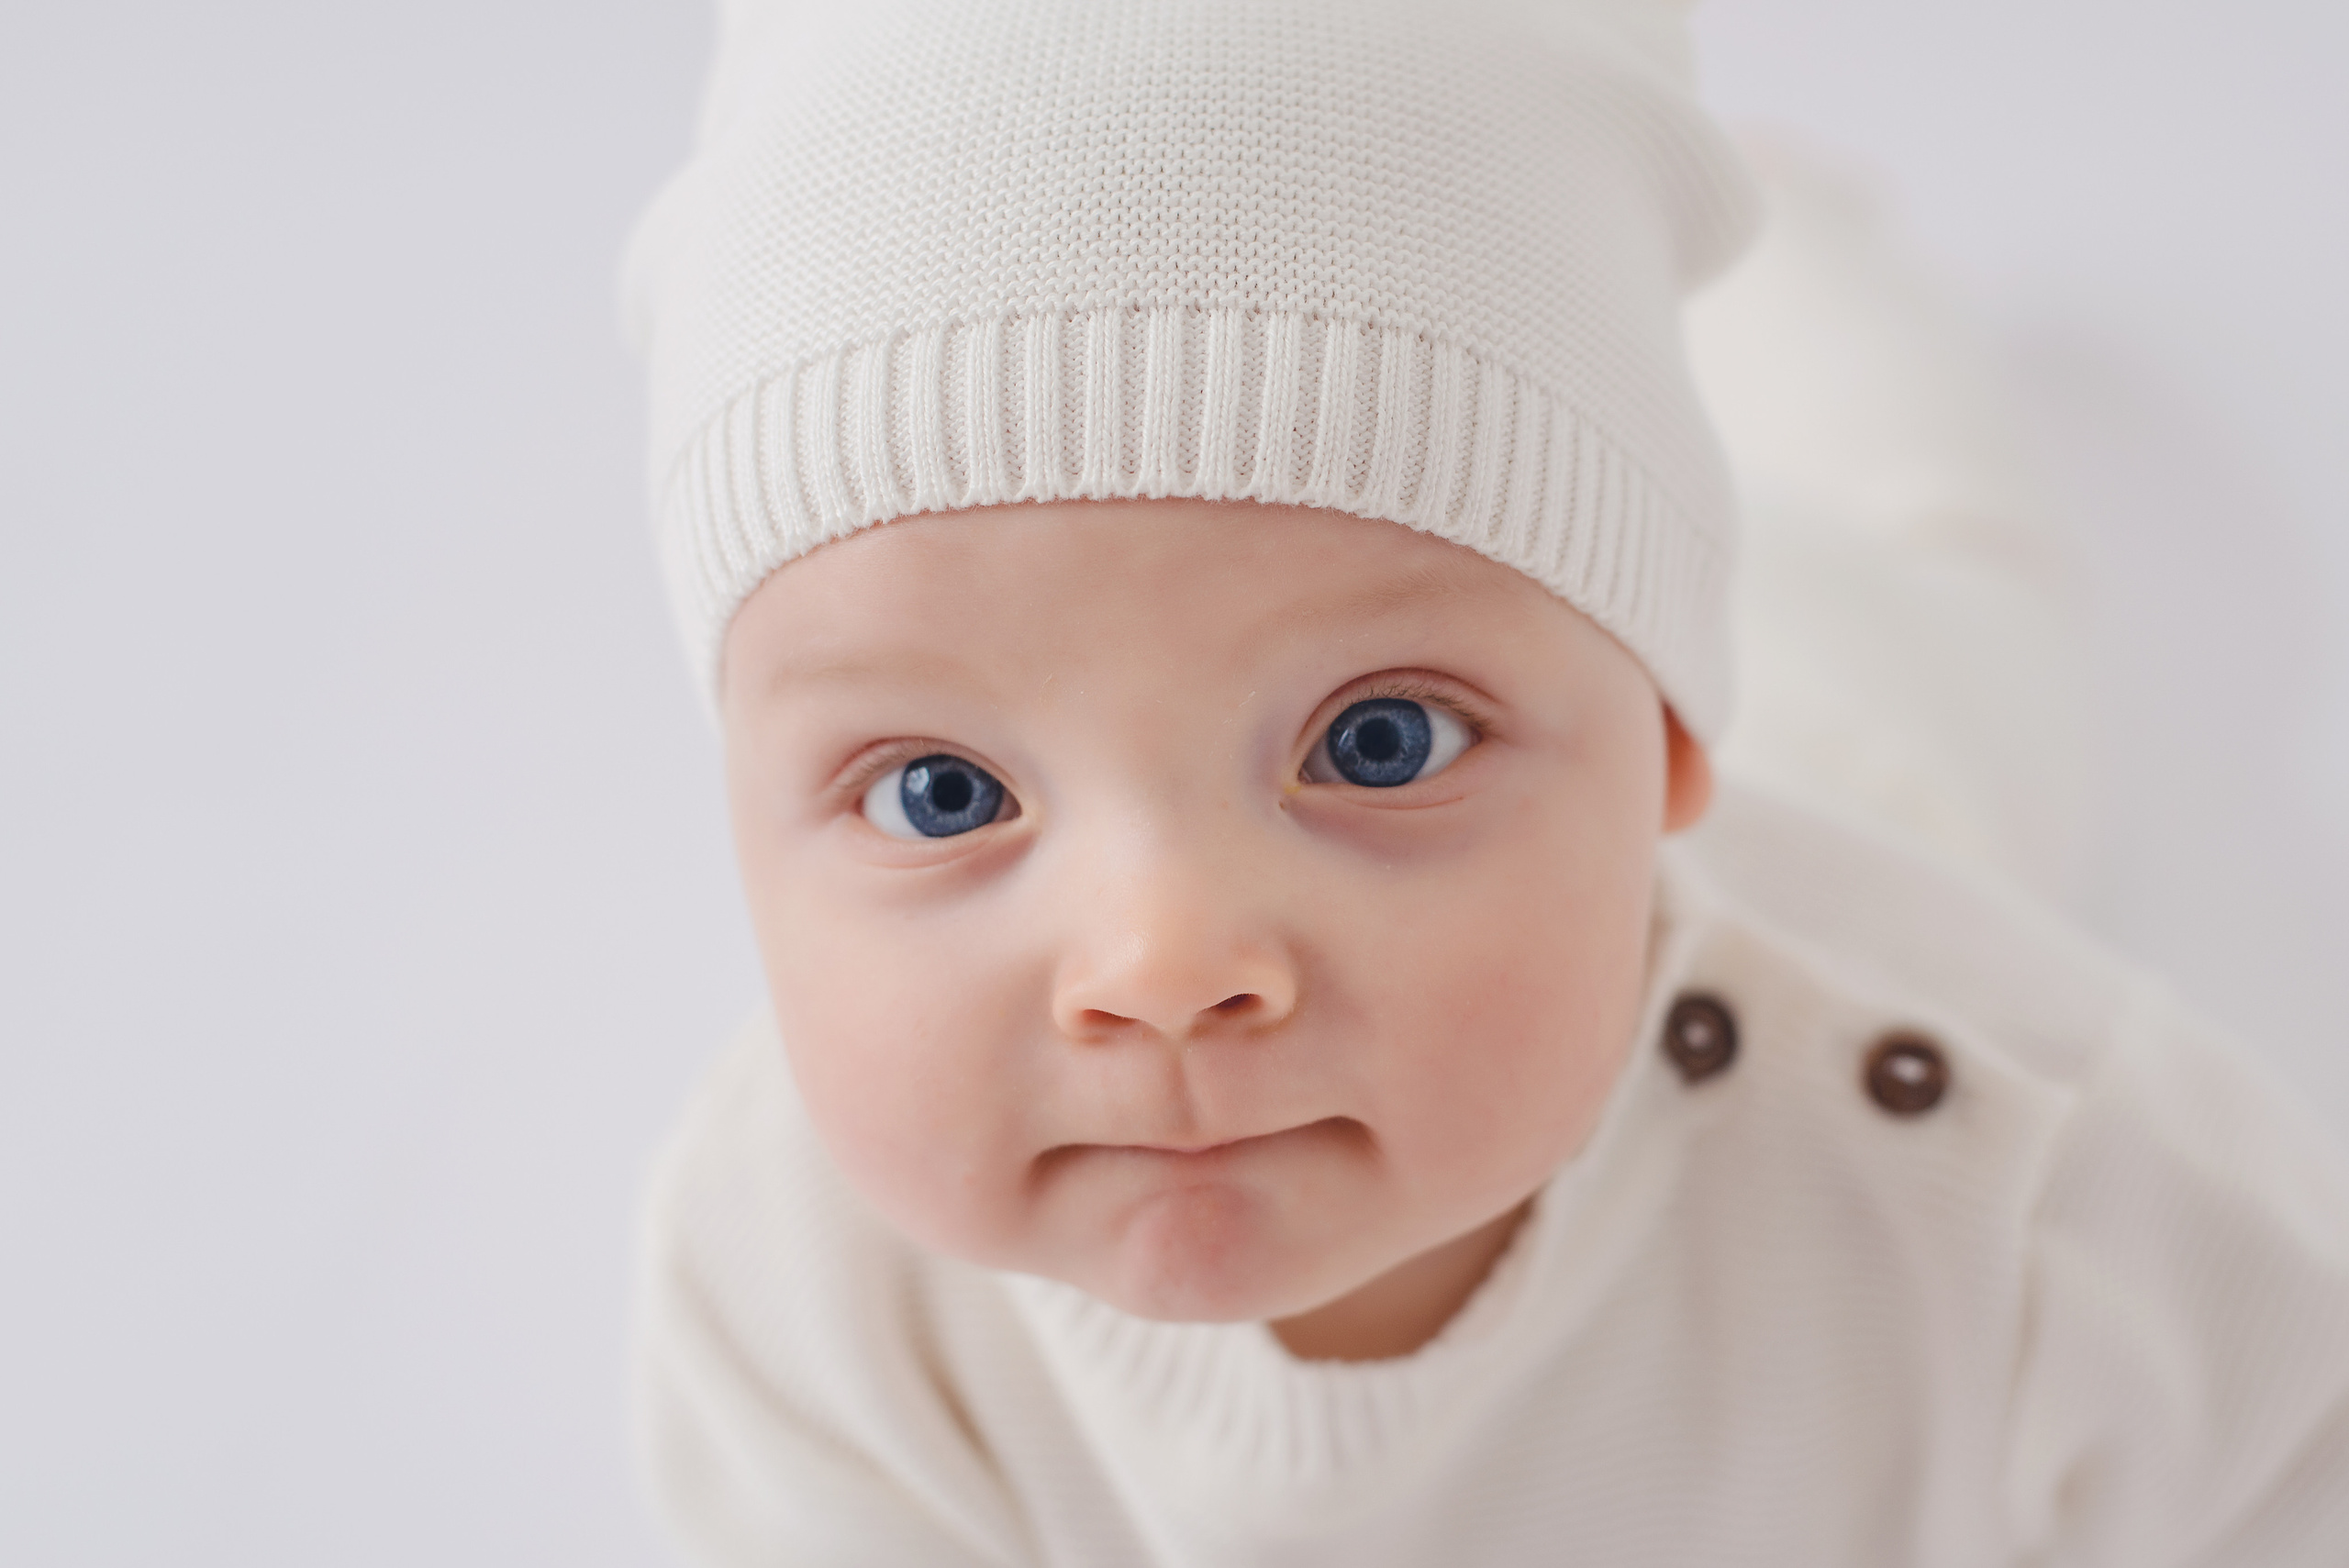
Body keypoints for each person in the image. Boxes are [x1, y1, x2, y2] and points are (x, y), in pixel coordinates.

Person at [618, 2, 2349, 1562]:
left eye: (1383, 740)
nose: (1162, 963)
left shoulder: (2030, 1173)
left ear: (1671, 729)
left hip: (1876, 722)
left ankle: (1792, 246)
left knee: (1943, 542)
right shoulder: (790, 1288)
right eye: (939, 790)